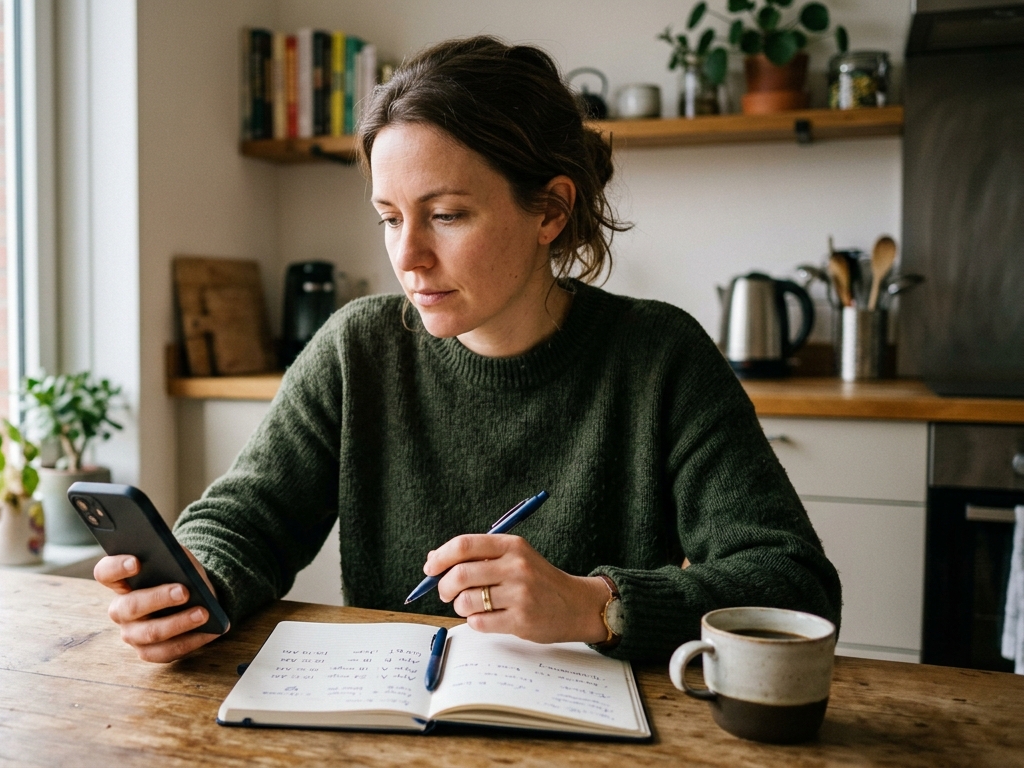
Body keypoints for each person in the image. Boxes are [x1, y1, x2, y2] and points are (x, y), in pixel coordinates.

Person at [95, 36, 841, 663]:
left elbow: (793, 582)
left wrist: (596, 605)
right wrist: (195, 582)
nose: (408, 256)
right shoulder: (357, 349)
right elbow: (244, 519)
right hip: (393, 727)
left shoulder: (659, 357)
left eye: (446, 215)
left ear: (550, 209)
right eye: (390, 218)